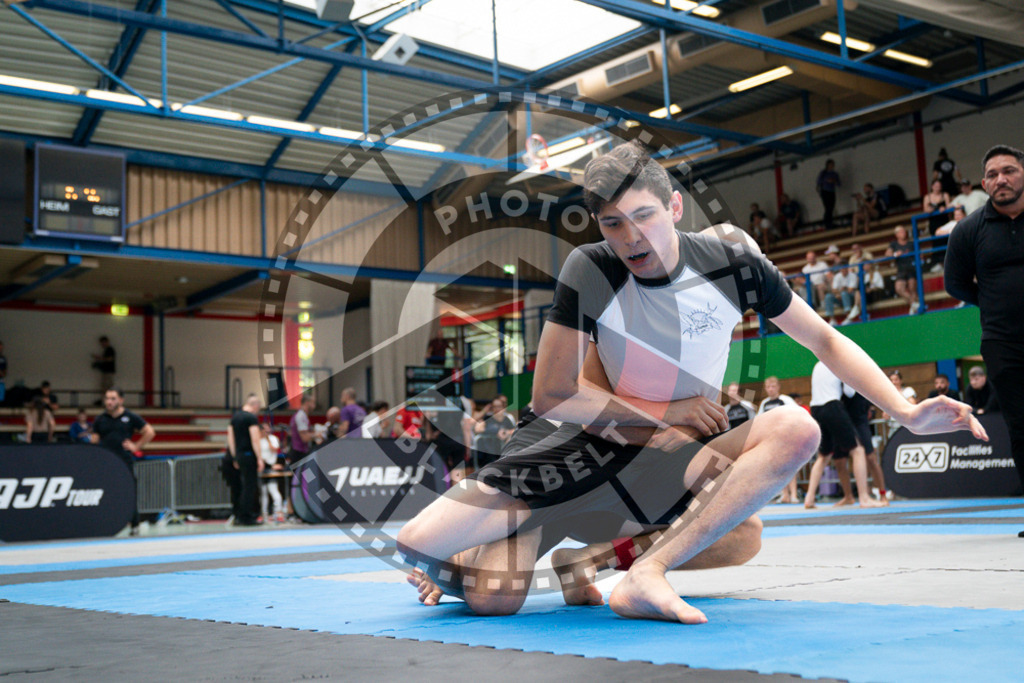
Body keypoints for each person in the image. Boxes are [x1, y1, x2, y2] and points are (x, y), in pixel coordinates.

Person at [398, 142, 983, 623]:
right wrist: (669, 414)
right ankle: (499, 539)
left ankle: (625, 570)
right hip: (578, 444)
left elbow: (826, 339)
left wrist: (904, 411)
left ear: (675, 208)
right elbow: (553, 396)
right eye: (614, 223)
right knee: (468, 581)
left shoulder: (734, 265)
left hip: (657, 451)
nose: (632, 238)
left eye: (645, 216)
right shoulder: (593, 269)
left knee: (757, 504)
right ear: (600, 226)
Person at [946, 144, 1024, 537]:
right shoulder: (969, 229)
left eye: (1009, 171)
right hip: (1002, 342)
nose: (1001, 180)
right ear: (983, 184)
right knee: (1021, 425)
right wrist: (992, 301)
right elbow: (954, 283)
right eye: (993, 175)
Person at [803, 362, 886, 509]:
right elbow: (849, 392)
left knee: (823, 456)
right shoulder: (838, 363)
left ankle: (809, 498)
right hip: (832, 406)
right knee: (858, 450)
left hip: (815, 409)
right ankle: (864, 497)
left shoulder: (817, 365)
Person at [91, 387, 156, 535]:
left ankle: (134, 525)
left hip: (124, 461)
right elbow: (94, 441)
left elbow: (150, 432)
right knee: (105, 493)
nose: (109, 401)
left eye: (113, 398)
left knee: (129, 493)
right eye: (107, 398)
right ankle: (105, 524)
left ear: (121, 400)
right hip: (105, 463)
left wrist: (136, 446)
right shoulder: (100, 419)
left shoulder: (130, 417)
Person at [228, 393, 263, 526]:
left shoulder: (235, 417)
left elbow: (230, 438)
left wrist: (234, 456)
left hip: (239, 455)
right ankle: (246, 516)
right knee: (249, 486)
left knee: (240, 486)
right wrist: (259, 458)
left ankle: (239, 514)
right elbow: (255, 439)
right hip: (249, 455)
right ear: (255, 406)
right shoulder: (251, 418)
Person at [471, 396, 515, 469]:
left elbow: (513, 429)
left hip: (502, 452)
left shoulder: (507, 419)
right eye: (495, 406)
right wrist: (496, 431)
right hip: (488, 452)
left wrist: (506, 432)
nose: (497, 409)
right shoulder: (487, 417)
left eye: (499, 406)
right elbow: (478, 429)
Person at [886, 225, 920, 314]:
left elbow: (920, 255)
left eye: (904, 231)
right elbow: (888, 253)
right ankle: (914, 304)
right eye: (901, 232)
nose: (903, 233)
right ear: (896, 234)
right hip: (901, 269)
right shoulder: (894, 244)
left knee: (912, 287)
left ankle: (915, 309)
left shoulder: (911, 244)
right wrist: (895, 254)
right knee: (899, 288)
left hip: (912, 268)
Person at [258, 422, 285, 524]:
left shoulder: (273, 439)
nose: (265, 431)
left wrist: (267, 438)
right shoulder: (258, 440)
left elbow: (275, 449)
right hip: (261, 467)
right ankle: (263, 513)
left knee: (273, 490)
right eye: (263, 429)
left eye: (267, 429)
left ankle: (278, 512)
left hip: (271, 467)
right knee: (263, 492)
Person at [287, 393, 317, 463]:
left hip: (298, 452)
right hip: (299, 454)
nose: (314, 406)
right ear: (307, 403)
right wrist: (317, 434)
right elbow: (305, 438)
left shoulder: (300, 415)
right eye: (313, 403)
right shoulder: (301, 416)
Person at [816, 159, 840, 231]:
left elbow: (839, 184)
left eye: (833, 165)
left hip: (832, 191)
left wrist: (834, 181)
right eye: (830, 164)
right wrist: (826, 180)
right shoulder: (823, 173)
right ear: (827, 165)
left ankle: (830, 222)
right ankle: (827, 223)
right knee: (827, 208)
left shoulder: (835, 174)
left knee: (831, 207)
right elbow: (818, 182)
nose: (832, 166)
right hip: (825, 192)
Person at [91, 336, 116, 401]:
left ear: (106, 342)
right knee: (104, 387)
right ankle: (106, 400)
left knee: (108, 387)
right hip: (105, 371)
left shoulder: (110, 349)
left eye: (103, 343)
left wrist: (99, 358)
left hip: (108, 371)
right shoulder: (107, 350)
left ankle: (109, 401)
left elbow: (110, 359)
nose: (102, 345)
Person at [0, 340, 6, 404]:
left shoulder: (3, 358)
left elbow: (4, 370)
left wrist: (2, 373)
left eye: (1, 348)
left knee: (1, 398)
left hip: (1, 380)